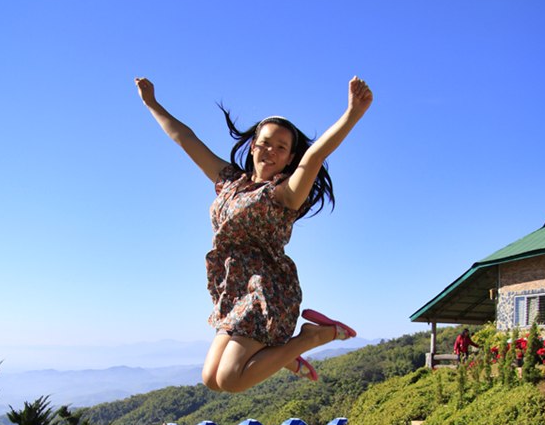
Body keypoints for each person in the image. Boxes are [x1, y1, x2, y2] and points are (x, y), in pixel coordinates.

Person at [136, 75, 373, 393]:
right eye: (265, 143)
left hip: (266, 289)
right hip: (232, 289)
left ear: (290, 158)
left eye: (281, 147)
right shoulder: (229, 181)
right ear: (252, 146)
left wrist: (352, 114)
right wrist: (152, 104)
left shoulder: (284, 194)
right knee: (210, 379)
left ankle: (312, 336)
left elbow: (314, 157)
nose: (271, 151)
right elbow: (186, 139)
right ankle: (280, 355)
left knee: (229, 379)